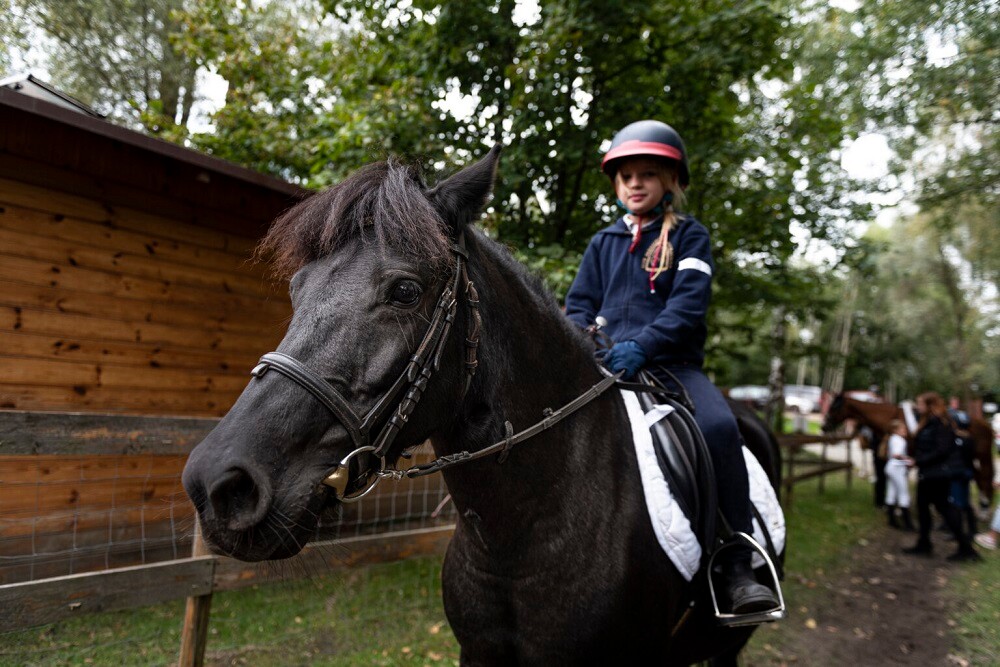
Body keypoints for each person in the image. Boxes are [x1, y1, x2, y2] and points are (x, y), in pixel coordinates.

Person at [564, 119, 779, 615]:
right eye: (625, 177)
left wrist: (643, 344)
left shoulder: (690, 236)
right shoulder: (602, 243)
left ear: (670, 182)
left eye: (646, 174)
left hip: (672, 366)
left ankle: (737, 559)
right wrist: (583, 342)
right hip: (604, 366)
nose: (634, 184)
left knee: (721, 427)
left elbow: (687, 308)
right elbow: (578, 306)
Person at [902, 392, 980, 561]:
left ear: (930, 406)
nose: (918, 407)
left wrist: (918, 461)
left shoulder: (941, 424)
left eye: (920, 404)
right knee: (923, 506)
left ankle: (966, 548)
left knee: (944, 508)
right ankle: (924, 543)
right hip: (929, 473)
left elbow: (942, 450)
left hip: (937, 474)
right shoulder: (928, 423)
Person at [882, 419, 914, 530]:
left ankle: (891, 519)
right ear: (895, 430)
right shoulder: (899, 440)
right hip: (897, 468)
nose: (905, 430)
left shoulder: (892, 439)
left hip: (891, 467)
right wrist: (908, 460)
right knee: (903, 493)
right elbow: (897, 454)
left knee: (892, 492)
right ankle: (908, 523)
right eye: (902, 428)